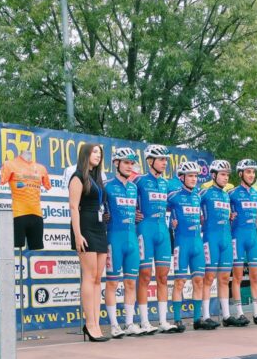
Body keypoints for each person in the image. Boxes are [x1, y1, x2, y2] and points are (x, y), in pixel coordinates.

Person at [134, 144, 177, 334]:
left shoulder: (166, 184)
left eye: (166, 160)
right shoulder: (139, 181)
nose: (164, 163)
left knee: (163, 277)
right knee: (144, 275)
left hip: (163, 232)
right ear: (150, 161)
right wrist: (132, 214)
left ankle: (163, 321)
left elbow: (176, 204)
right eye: (161, 159)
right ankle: (144, 321)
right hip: (145, 230)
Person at [68, 143, 109, 342]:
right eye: (94, 152)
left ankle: (96, 323)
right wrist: (77, 235)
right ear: (85, 154)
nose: (98, 155)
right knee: (89, 276)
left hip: (99, 227)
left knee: (98, 278)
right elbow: (73, 207)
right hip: (85, 228)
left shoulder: (98, 178)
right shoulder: (77, 177)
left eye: (100, 153)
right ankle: (90, 324)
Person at [168, 160, 212, 330]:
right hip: (182, 243)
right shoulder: (173, 196)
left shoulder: (198, 196)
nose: (194, 179)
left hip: (197, 244)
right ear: (182, 177)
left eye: (195, 176)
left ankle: (197, 319)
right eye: (190, 176)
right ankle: (177, 319)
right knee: (180, 281)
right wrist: (171, 222)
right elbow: (158, 210)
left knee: (199, 281)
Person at [103, 147, 142, 338]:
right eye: (126, 162)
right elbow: (98, 211)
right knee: (112, 283)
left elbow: (138, 212)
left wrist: (138, 216)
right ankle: (114, 325)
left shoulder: (134, 187)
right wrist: (103, 216)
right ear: (116, 163)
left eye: (131, 163)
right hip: (114, 239)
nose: (129, 166)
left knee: (131, 283)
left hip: (132, 239)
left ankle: (129, 323)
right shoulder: (106, 186)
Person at [200, 160, 235, 327]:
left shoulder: (226, 195)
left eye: (227, 175)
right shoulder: (204, 193)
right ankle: (206, 316)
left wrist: (231, 217)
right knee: (208, 278)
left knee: (225, 278)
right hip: (211, 239)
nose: (226, 178)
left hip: (226, 238)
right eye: (222, 174)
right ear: (213, 175)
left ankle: (226, 316)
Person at [229, 159, 257, 325]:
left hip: (253, 237)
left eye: (253, 172)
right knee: (238, 276)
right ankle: (240, 313)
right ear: (241, 173)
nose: (251, 175)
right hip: (237, 237)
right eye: (248, 172)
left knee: (255, 276)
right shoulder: (232, 193)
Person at [0, 147, 52, 250]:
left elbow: (48, 186)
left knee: (36, 247)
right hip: (19, 214)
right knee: (16, 246)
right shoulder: (9, 164)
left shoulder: (41, 168)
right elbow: (2, 181)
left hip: (37, 215)